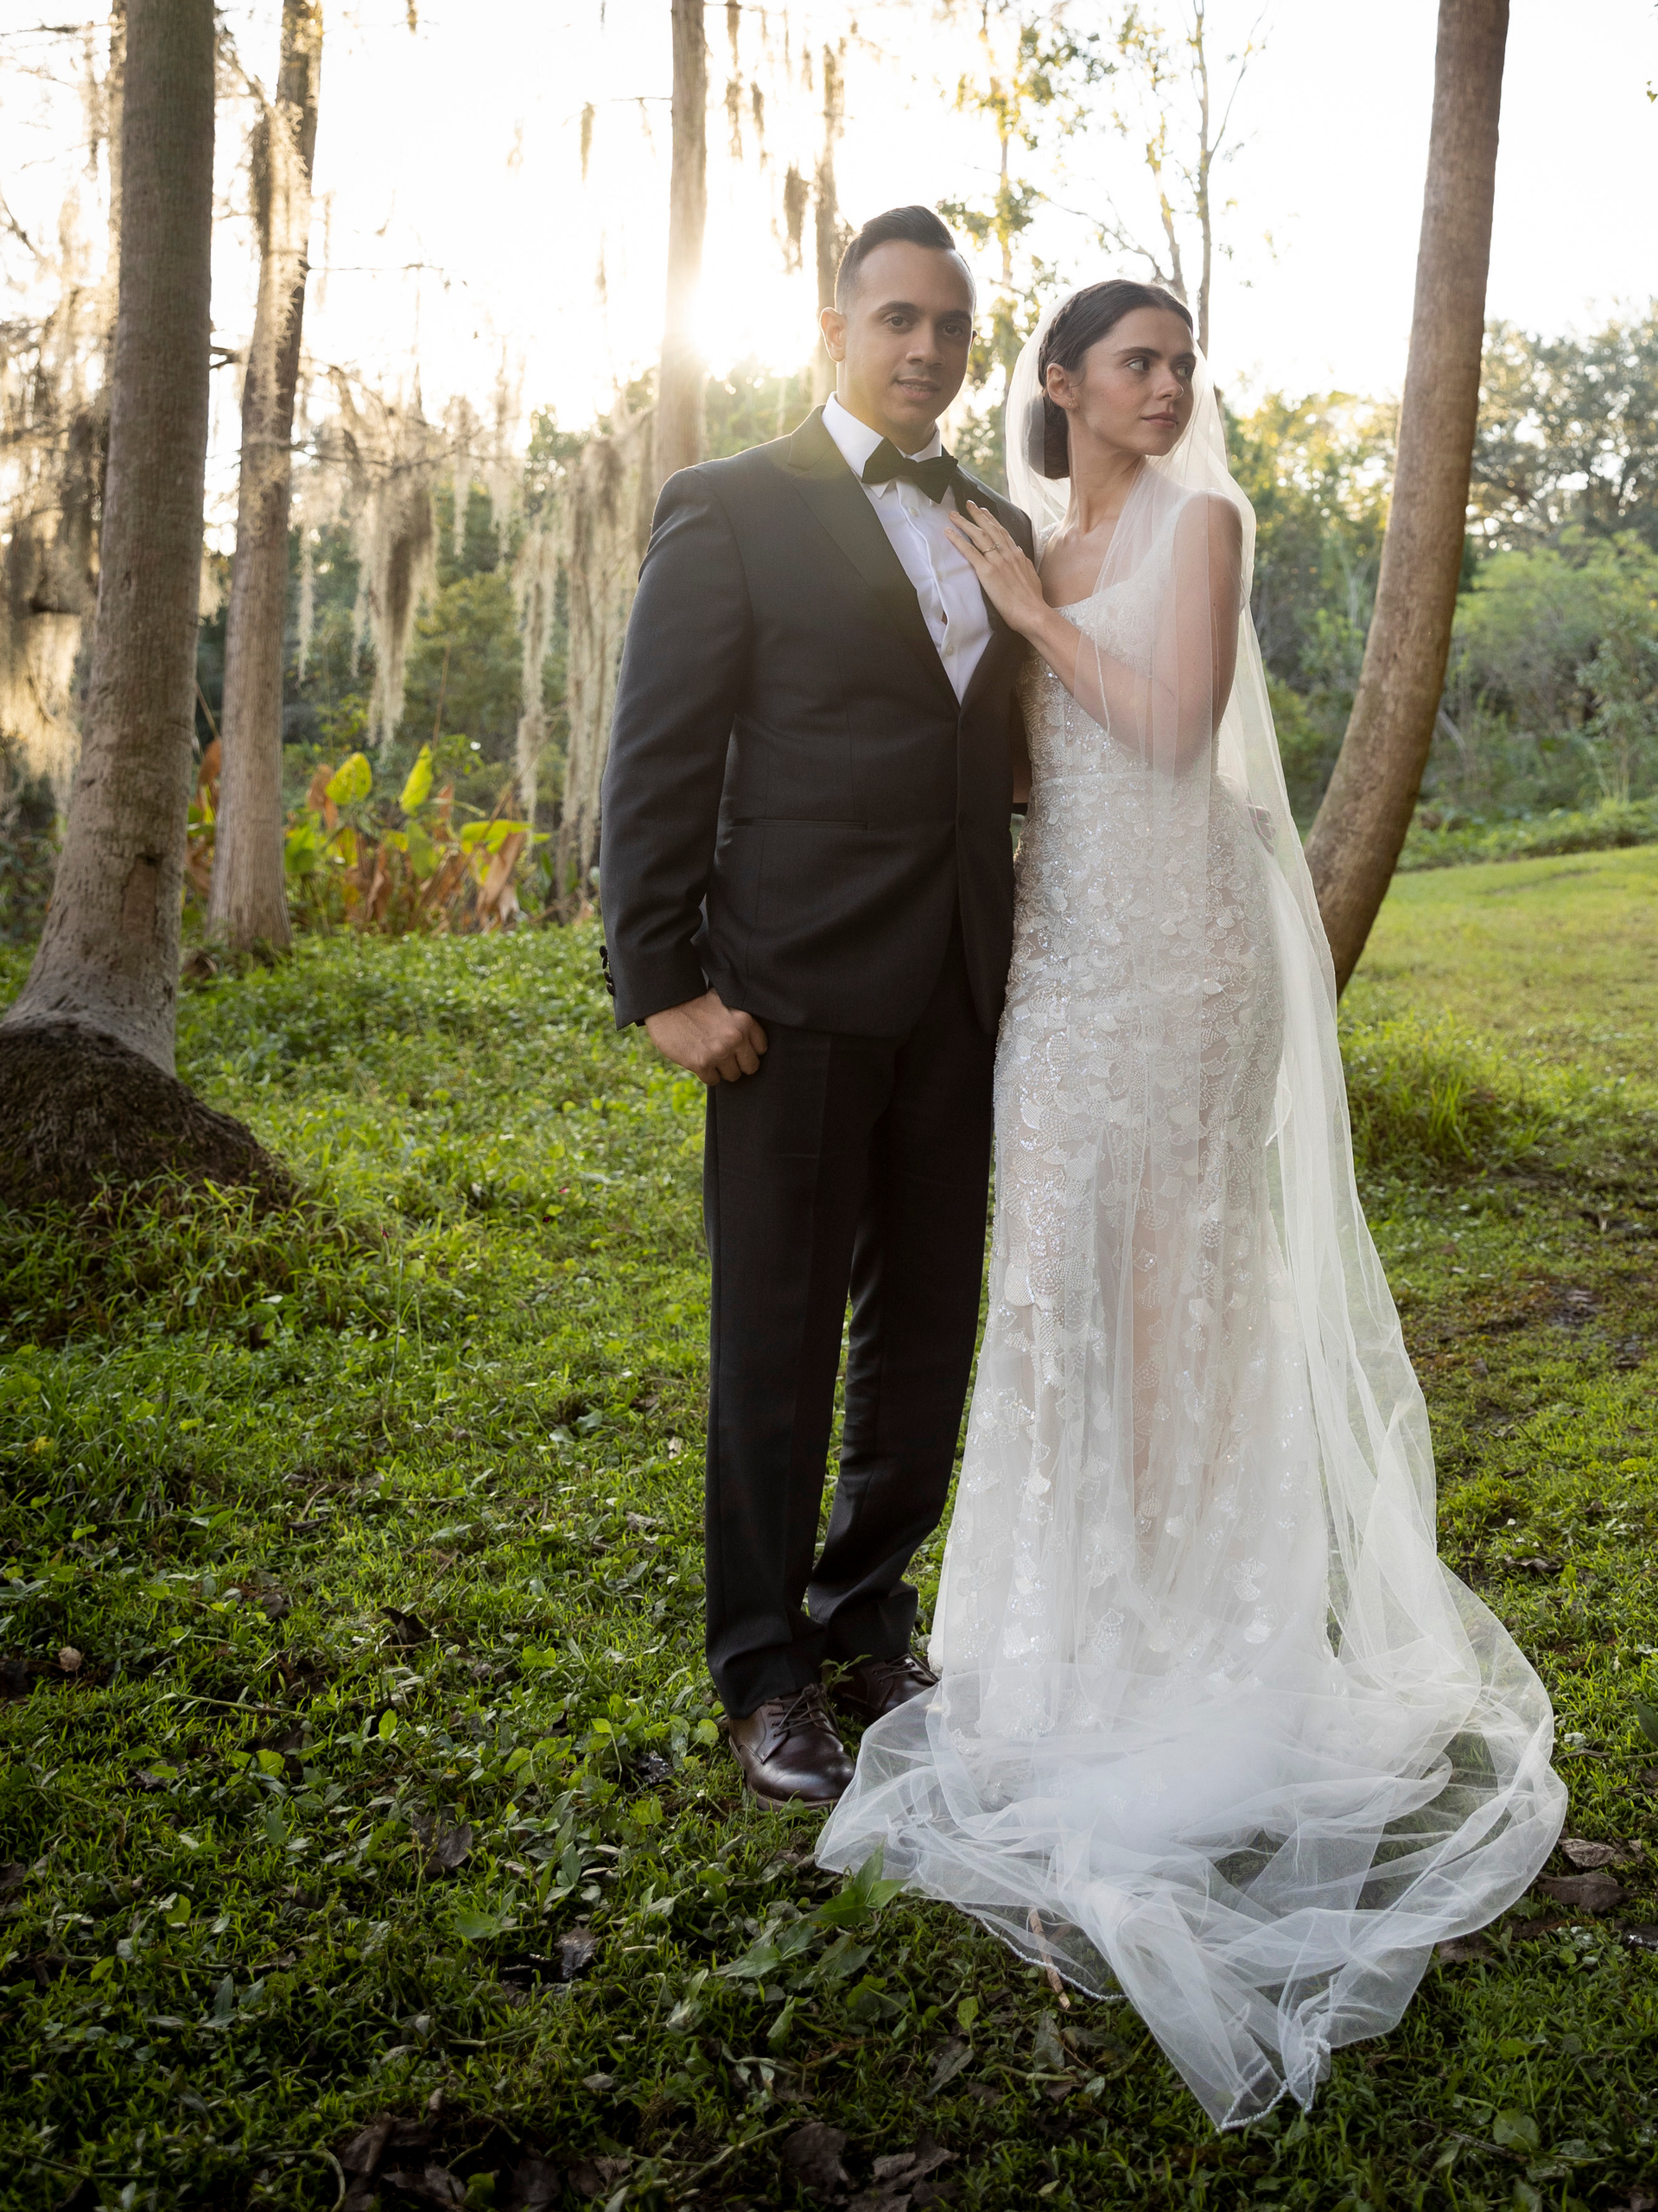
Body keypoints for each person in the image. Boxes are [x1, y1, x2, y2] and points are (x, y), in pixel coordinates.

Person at [816, 281, 1566, 2130]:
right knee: (1059, 1287)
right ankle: (1073, 1634)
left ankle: (1203, 1649)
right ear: (1057, 385)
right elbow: (994, 771)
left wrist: (1020, 616)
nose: (1164, 385)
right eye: (1131, 361)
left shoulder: (1196, 527)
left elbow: (1160, 730)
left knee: (1183, 1292)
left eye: (1177, 364)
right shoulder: (1023, 537)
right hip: (1064, 964)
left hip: (1190, 960)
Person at [596, 207, 1036, 1806]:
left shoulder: (996, 519)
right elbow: (656, 758)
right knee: (772, 1337)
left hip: (961, 987)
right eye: (896, 320)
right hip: (783, 990)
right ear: (835, 328)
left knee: (926, 1329)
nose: (924, 349)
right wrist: (662, 986)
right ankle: (762, 1668)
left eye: (949, 328)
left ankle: (866, 1621)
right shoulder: (728, 507)